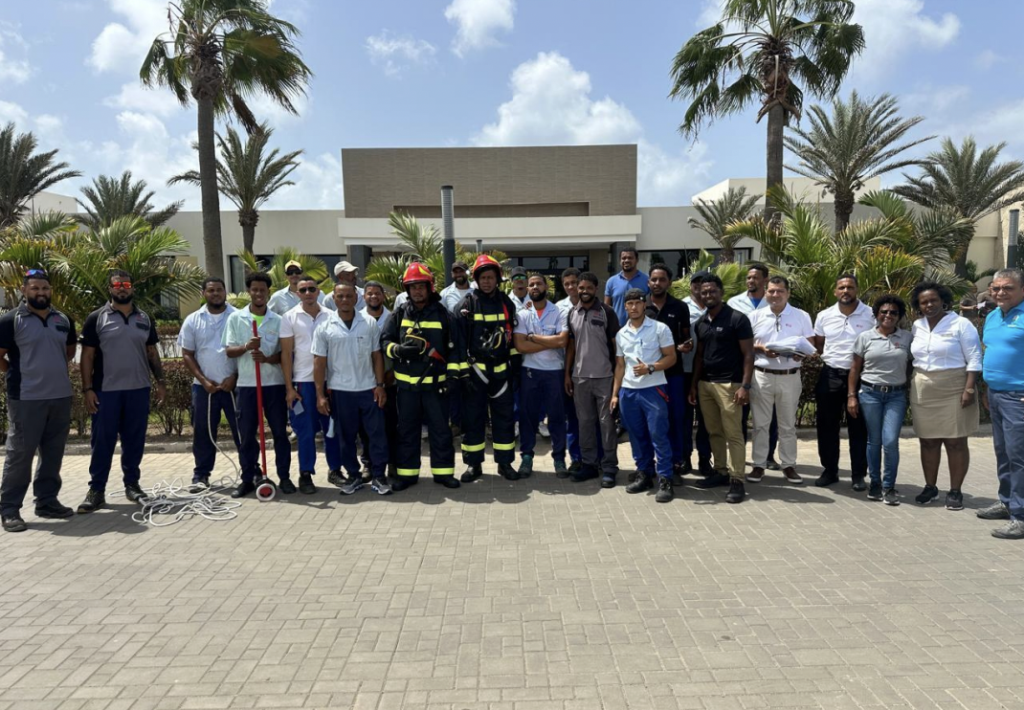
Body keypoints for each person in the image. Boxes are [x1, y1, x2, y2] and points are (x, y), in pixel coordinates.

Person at [77, 270, 167, 513]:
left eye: (126, 284)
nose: (122, 289)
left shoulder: (144, 318)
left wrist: (160, 382)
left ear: (132, 288)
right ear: (110, 289)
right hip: (106, 391)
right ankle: (96, 490)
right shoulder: (97, 318)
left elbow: (151, 352)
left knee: (134, 441)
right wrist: (87, 389)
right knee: (102, 442)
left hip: (138, 390)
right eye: (117, 285)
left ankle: (132, 485)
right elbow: (87, 356)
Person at [0, 270, 77, 532]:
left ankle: (46, 502)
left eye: (45, 288)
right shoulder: (11, 320)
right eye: (35, 288)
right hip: (26, 398)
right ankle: (9, 509)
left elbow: (69, 351)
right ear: (24, 290)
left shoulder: (63, 319)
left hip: (60, 396)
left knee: (53, 453)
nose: (41, 293)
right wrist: (15, 372)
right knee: (20, 455)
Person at [382, 262, 461, 490]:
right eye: (412, 287)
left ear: (429, 287)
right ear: (407, 290)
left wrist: (453, 379)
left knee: (441, 431)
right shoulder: (399, 314)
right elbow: (385, 342)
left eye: (421, 286)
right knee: (407, 431)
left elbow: (455, 351)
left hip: (436, 388)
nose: (417, 291)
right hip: (407, 389)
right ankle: (407, 475)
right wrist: (398, 350)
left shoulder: (444, 315)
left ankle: (444, 474)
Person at [909, 281, 982, 510]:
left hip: (954, 386)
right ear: (918, 306)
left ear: (943, 301)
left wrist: (969, 388)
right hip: (923, 386)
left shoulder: (960, 324)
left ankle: (955, 491)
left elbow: (974, 357)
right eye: (924, 302)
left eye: (933, 300)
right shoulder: (917, 326)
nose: (929, 305)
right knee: (927, 440)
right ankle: (930, 487)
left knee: (955, 441)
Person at [313, 283, 390, 495]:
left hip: (369, 389)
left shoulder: (369, 323)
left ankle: (379, 476)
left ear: (356, 298)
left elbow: (377, 356)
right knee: (346, 437)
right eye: (340, 296)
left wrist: (380, 385)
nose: (345, 300)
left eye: (349, 296)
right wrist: (320, 395)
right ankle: (354, 476)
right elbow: (319, 363)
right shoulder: (324, 326)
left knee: (376, 435)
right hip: (340, 391)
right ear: (334, 299)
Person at [223, 272, 292, 498]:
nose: (259, 293)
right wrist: (246, 346)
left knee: (280, 433)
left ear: (268, 292)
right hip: (247, 385)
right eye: (254, 289)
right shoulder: (236, 319)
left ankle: (284, 477)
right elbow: (229, 350)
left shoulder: (278, 320)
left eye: (262, 290)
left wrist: (267, 358)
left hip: (273, 385)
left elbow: (284, 354)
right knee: (247, 435)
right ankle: (248, 478)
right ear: (249, 291)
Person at [689, 274, 753, 504]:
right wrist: (694, 385)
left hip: (730, 385)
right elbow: (699, 356)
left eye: (712, 291)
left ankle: (737, 480)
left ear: (721, 292)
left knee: (733, 434)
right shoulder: (701, 323)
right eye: (704, 292)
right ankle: (721, 471)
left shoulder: (737, 319)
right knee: (714, 432)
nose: (708, 295)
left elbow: (748, 354)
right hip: (706, 385)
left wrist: (745, 386)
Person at [454, 254, 519, 481]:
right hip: (476, 374)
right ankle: (474, 465)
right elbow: (459, 343)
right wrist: (463, 374)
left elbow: (513, 338)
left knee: (504, 419)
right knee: (473, 420)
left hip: (501, 373)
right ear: (476, 279)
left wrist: (515, 368)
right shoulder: (466, 305)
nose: (487, 282)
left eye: (490, 277)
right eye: (483, 278)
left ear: (497, 279)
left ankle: (505, 464)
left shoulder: (507, 303)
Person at [748, 276, 814, 485]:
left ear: (788, 293)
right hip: (762, 376)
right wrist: (761, 349)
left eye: (780, 291)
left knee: (787, 425)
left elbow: (810, 344)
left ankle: (788, 465)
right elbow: (746, 345)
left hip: (790, 376)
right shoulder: (755, 316)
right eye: (771, 291)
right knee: (760, 425)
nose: (775, 295)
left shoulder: (801, 316)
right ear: (765, 292)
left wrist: (801, 354)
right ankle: (759, 465)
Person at [847, 295, 913, 505]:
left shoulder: (907, 338)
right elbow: (855, 368)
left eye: (893, 312)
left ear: (899, 316)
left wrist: (905, 386)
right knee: (874, 440)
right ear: (876, 314)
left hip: (896, 396)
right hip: (870, 394)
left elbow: (910, 365)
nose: (888, 315)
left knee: (890, 441)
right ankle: (875, 483)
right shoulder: (865, 337)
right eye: (884, 312)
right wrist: (851, 396)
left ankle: (889, 486)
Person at [614, 289, 677, 502]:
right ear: (625, 307)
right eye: (630, 303)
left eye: (637, 303)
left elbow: (671, 357)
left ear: (644, 304)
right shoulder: (621, 334)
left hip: (653, 389)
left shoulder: (660, 328)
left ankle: (666, 478)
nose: (634, 307)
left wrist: (650, 367)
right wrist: (615, 394)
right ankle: (645, 473)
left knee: (658, 434)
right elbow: (620, 366)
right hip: (628, 392)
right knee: (636, 435)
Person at [812, 274, 875, 490]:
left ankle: (858, 474)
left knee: (859, 428)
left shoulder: (870, 314)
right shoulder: (824, 315)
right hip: (830, 374)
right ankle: (830, 470)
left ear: (857, 289)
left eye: (850, 287)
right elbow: (820, 344)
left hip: (861, 376)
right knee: (826, 426)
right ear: (835, 291)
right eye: (841, 287)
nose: (845, 291)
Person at [280, 274, 340, 494]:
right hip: (303, 384)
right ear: (297, 293)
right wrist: (289, 388)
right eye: (303, 290)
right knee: (305, 432)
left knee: (332, 429)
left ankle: (335, 470)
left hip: (330, 382)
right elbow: (286, 354)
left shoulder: (331, 316)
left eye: (311, 289)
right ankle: (306, 474)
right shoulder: (289, 317)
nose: (308, 293)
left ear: (318, 292)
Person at [179, 277, 240, 492]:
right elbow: (187, 354)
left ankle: (251, 472)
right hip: (204, 388)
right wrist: (203, 380)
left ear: (225, 292)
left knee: (243, 431)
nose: (216, 294)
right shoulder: (193, 320)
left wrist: (235, 377)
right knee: (203, 433)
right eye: (211, 290)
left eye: (219, 290)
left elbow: (246, 351)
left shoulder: (238, 317)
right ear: (203, 293)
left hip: (235, 386)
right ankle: (201, 476)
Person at [978, 268, 1024, 539]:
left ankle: (1020, 516)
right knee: (1003, 453)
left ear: (1022, 290)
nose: (1000, 293)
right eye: (995, 288)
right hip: (996, 394)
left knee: (1019, 457)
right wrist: (987, 388)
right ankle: (1007, 502)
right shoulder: (993, 316)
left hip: (1019, 397)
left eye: (1007, 288)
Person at [566, 272, 620, 486]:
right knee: (585, 423)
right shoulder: (572, 313)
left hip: (605, 377)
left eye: (589, 287)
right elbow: (571, 347)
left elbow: (616, 347)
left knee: (607, 424)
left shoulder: (607, 312)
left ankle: (609, 467)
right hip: (579, 378)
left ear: (596, 289)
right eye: (581, 288)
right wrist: (567, 374)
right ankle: (589, 465)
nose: (584, 291)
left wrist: (617, 378)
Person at [513, 274, 569, 477]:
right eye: (531, 285)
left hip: (554, 372)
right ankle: (527, 457)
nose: (535, 287)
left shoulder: (559, 312)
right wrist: (549, 341)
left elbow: (562, 341)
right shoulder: (522, 314)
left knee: (556, 417)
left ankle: (559, 459)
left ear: (546, 287)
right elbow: (521, 346)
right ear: (528, 289)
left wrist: (533, 338)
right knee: (527, 417)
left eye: (538, 284)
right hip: (530, 372)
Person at [645, 264, 693, 480]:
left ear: (669, 283)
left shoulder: (680, 307)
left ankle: (675, 463)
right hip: (648, 375)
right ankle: (648, 466)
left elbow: (686, 337)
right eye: (654, 279)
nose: (657, 283)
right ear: (648, 282)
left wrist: (686, 346)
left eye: (662, 279)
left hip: (673, 373)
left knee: (675, 418)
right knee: (650, 421)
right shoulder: (640, 305)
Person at [727, 263, 778, 468]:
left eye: (755, 277)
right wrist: (757, 348)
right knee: (740, 414)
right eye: (748, 277)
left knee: (768, 416)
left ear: (765, 280)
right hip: (741, 366)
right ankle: (739, 457)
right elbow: (731, 337)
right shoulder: (734, 302)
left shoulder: (774, 302)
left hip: (768, 367)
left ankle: (767, 456)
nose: (750, 281)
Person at [361, 281, 398, 478]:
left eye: (377, 293)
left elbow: (399, 347)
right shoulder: (357, 319)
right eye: (369, 293)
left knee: (391, 424)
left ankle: (392, 462)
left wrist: (392, 374)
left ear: (384, 296)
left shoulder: (394, 317)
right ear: (364, 297)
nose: (373, 296)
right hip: (365, 382)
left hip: (390, 380)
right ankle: (368, 463)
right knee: (366, 427)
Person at [683, 271, 713, 475]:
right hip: (685, 370)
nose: (699, 285)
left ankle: (704, 459)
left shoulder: (716, 307)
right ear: (690, 285)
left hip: (708, 372)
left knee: (706, 420)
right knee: (684, 419)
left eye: (703, 282)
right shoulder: (682, 306)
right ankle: (684, 458)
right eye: (696, 282)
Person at [557, 267, 586, 475]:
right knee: (572, 418)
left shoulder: (594, 306)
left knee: (592, 418)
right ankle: (576, 458)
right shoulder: (559, 308)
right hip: (567, 369)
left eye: (574, 283)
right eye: (566, 284)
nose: (571, 287)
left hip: (592, 370)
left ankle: (595, 458)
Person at [605, 247, 649, 326]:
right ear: (620, 261)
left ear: (637, 260)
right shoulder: (611, 281)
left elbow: (649, 305)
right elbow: (606, 308)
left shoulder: (646, 280)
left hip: (641, 327)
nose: (626, 260)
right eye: (624, 258)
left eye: (630, 258)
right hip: (617, 327)